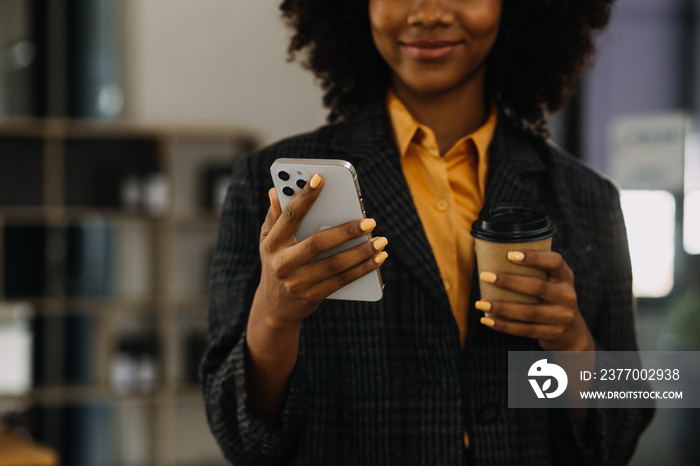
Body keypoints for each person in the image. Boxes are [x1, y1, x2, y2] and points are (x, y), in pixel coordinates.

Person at [201, 0, 654, 464]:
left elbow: (622, 432)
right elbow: (239, 437)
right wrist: (275, 316)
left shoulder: (589, 199)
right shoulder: (267, 186)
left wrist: (572, 342)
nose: (429, 13)